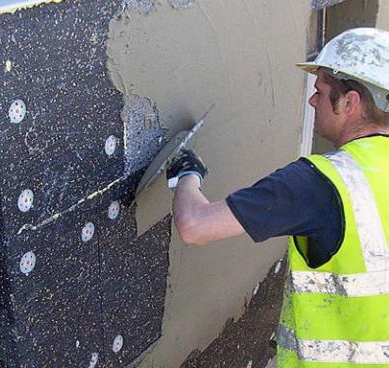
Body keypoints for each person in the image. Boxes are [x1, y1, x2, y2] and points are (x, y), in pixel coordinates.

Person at [166, 27, 389, 367]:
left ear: (349, 101)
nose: (312, 101)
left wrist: (187, 174)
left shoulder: (321, 183)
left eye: (320, 90)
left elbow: (195, 226)